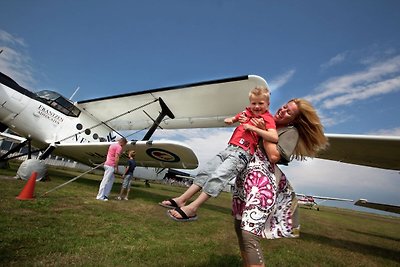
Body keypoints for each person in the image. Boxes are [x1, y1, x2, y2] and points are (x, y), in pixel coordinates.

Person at [232, 98, 328, 267]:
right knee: (239, 228)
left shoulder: (290, 132)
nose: (283, 110)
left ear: (294, 120)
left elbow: (274, 156)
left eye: (289, 112)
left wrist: (263, 131)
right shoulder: (267, 122)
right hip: (245, 180)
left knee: (249, 233)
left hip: (261, 184)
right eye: (284, 107)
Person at [159, 86, 278, 221]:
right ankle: (182, 199)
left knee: (218, 176)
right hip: (229, 148)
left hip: (242, 153)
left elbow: (274, 137)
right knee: (206, 172)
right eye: (254, 103)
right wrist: (232, 120)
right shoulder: (247, 112)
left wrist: (252, 127)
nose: (256, 106)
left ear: (268, 104)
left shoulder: (267, 118)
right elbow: (237, 117)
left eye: (261, 103)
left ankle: (193, 208)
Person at [96, 137, 128, 201]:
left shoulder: (112, 145)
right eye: (125, 144)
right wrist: (116, 167)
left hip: (107, 164)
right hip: (111, 165)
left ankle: (105, 195)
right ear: (123, 142)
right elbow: (117, 157)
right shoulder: (119, 147)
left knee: (111, 180)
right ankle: (100, 196)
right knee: (105, 181)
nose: (124, 146)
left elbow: (110, 155)